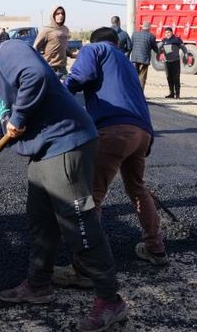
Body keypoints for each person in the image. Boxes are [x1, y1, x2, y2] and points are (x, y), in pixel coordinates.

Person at [0, 24, 128, 332]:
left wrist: (20, 117)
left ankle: (110, 300)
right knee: (40, 220)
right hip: (43, 151)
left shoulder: (8, 51)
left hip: (66, 142)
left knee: (78, 222)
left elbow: (34, 76)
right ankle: (38, 285)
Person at [60, 27, 166, 274]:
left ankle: (86, 266)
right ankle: (155, 247)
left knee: (92, 194)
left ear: (97, 41)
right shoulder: (128, 64)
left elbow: (77, 79)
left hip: (113, 131)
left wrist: (57, 93)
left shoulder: (94, 49)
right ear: (117, 42)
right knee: (138, 189)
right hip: (142, 132)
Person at [34, 5, 75, 79]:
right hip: (50, 67)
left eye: (62, 14)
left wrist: (71, 55)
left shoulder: (65, 29)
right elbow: (35, 47)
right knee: (51, 90)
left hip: (62, 68)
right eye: (57, 14)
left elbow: (63, 46)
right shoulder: (46, 30)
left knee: (66, 88)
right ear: (53, 15)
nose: (60, 16)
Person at [159, 27, 189, 99]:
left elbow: (183, 47)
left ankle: (177, 95)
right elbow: (159, 49)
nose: (167, 34)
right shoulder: (164, 40)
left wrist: (186, 54)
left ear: (172, 32)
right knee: (169, 78)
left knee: (176, 78)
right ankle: (171, 93)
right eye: (166, 33)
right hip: (167, 62)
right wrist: (159, 54)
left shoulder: (176, 39)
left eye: (169, 32)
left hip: (175, 61)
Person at [129, 21, 159, 90]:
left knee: (135, 76)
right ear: (149, 28)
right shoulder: (151, 36)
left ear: (142, 27)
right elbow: (155, 48)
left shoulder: (135, 34)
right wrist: (158, 53)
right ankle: (140, 93)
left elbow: (131, 46)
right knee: (142, 76)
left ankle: (134, 92)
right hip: (144, 59)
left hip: (134, 58)